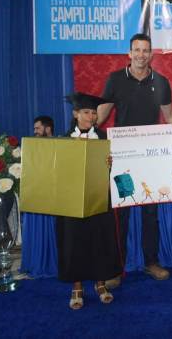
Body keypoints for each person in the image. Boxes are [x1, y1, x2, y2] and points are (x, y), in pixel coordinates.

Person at [97, 33, 172, 284]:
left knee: (150, 212)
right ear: (129, 53)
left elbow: (169, 115)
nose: (141, 55)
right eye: (137, 50)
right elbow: (100, 115)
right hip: (122, 158)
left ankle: (151, 262)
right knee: (121, 215)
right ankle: (116, 268)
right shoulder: (115, 79)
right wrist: (82, 128)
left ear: (151, 54)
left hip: (149, 158)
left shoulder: (161, 82)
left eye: (146, 50)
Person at [57, 92, 121, 310]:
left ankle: (100, 283)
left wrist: (111, 164)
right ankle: (77, 286)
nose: (91, 117)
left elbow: (115, 171)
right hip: (72, 200)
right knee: (74, 241)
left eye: (94, 113)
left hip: (98, 197)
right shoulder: (63, 140)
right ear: (75, 114)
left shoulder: (104, 139)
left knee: (99, 239)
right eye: (86, 112)